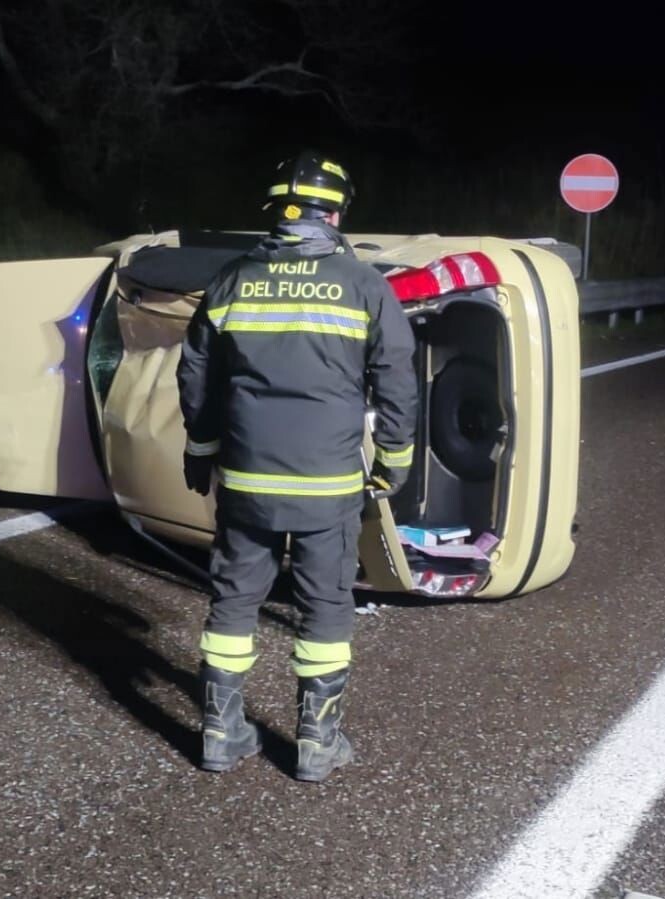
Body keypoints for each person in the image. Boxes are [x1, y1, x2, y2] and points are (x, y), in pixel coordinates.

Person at [176, 149, 418, 782]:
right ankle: (315, 743)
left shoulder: (232, 279)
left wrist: (200, 449)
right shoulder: (363, 283)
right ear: (335, 211)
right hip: (328, 485)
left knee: (233, 598)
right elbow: (396, 377)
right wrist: (393, 462)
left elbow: (195, 372)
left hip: (248, 480)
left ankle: (221, 735)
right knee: (325, 606)